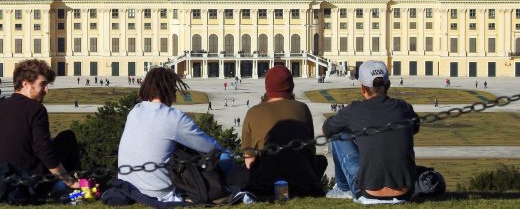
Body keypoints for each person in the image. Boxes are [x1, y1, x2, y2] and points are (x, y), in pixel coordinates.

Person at [117, 67, 229, 202]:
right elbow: (209, 146)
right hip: (158, 192)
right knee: (224, 156)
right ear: (170, 91)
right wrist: (228, 154)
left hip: (128, 186)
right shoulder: (173, 117)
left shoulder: (134, 111)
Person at [0, 59, 81, 200]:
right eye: (42, 84)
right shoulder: (36, 109)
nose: (46, 90)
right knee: (67, 138)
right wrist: (69, 181)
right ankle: (75, 187)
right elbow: (44, 150)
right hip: (24, 188)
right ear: (26, 83)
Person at [322, 61, 419, 204]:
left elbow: (327, 129)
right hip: (405, 192)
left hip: (368, 193)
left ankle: (343, 189)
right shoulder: (404, 107)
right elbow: (415, 128)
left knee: (338, 135)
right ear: (388, 85)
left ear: (362, 88)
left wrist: (355, 130)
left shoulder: (354, 110)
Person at [241, 65, 327, 200]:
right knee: (321, 160)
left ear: (267, 87)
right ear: (291, 86)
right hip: (303, 185)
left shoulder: (253, 112)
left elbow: (249, 160)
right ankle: (289, 191)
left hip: (265, 186)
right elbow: (309, 150)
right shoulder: (303, 108)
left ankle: (280, 193)